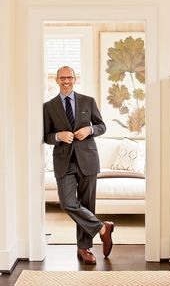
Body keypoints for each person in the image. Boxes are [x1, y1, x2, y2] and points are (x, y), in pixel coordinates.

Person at [43, 65, 114, 265]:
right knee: (67, 203)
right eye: (62, 78)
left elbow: (102, 126)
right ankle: (102, 227)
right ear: (56, 80)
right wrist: (58, 136)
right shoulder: (49, 106)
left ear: (75, 79)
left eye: (70, 78)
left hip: (88, 161)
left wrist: (89, 130)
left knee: (87, 205)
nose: (66, 81)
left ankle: (84, 248)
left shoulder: (88, 101)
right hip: (64, 162)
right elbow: (45, 136)